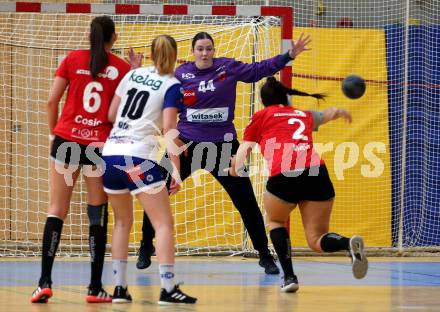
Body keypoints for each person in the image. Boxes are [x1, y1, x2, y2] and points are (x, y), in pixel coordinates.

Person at [137, 31, 312, 274]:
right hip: (187, 146)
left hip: (223, 147)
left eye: (209, 48)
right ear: (193, 51)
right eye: (200, 49)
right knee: (157, 190)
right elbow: (153, 84)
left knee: (247, 202)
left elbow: (258, 70)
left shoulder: (227, 68)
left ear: (214, 50)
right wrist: (133, 69)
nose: (205, 53)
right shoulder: (180, 74)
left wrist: (288, 55)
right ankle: (146, 246)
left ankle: (264, 255)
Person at [31, 16, 140, 303]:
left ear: (89, 34)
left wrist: (54, 134)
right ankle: (94, 288)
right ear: (113, 38)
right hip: (98, 146)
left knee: (56, 210)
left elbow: (51, 100)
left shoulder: (71, 58)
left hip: (66, 139)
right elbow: (127, 109)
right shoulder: (122, 68)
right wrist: (135, 70)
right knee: (97, 213)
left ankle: (44, 282)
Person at [227, 76, 368, 292]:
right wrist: (341, 111)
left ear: (264, 101)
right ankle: (347, 243)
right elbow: (327, 114)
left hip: (284, 174)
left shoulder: (261, 116)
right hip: (316, 173)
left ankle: (290, 277)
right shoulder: (301, 114)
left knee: (276, 222)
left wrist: (235, 169)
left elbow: (245, 148)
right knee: (317, 239)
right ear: (286, 97)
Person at [102, 34, 197, 304]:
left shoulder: (132, 74)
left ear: (151, 54)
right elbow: (169, 130)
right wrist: (176, 171)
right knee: (163, 224)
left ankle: (119, 289)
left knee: (122, 222)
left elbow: (111, 116)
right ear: (176, 55)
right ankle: (168, 289)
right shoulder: (173, 84)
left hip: (110, 155)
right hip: (138, 157)